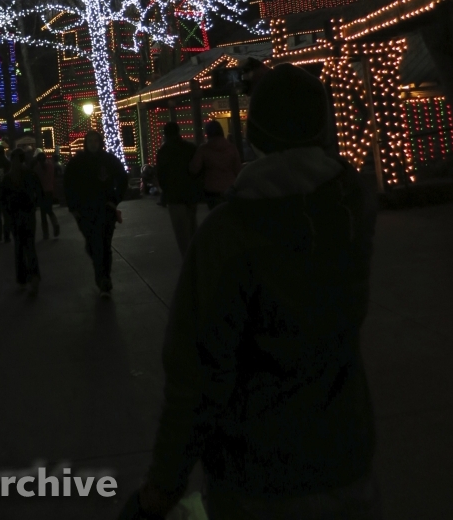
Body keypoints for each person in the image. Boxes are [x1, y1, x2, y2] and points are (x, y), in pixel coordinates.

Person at [119, 63, 381, 520]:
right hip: (347, 453)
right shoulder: (353, 207)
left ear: (257, 132)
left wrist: (162, 486)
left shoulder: (228, 237)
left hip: (257, 474)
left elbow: (195, 374)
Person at [64, 130, 127, 297]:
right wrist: (74, 208)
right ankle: (102, 276)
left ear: (99, 142)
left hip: (105, 210)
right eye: (90, 141)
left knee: (104, 246)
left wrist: (114, 200)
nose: (93, 144)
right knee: (93, 245)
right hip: (85, 212)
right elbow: (68, 185)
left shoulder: (108, 160)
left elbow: (122, 178)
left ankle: (104, 280)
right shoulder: (77, 162)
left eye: (95, 141)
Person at [1, 148, 41, 293]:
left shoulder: (7, 178)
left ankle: (22, 278)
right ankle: (34, 275)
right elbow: (38, 192)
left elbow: (3, 199)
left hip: (14, 215)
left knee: (19, 247)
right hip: (28, 214)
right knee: (30, 246)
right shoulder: (30, 175)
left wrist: (6, 215)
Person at [155, 121, 198, 257]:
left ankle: (188, 259)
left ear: (165, 134)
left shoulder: (163, 151)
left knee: (181, 231)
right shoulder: (190, 148)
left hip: (174, 195)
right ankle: (196, 253)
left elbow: (161, 176)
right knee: (192, 226)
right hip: (190, 193)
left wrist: (165, 190)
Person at [189, 119, 242, 212]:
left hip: (211, 188)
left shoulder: (204, 149)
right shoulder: (231, 148)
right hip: (230, 186)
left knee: (216, 215)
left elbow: (194, 168)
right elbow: (238, 169)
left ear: (207, 133)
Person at [32, 149, 60, 238]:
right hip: (50, 191)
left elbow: (35, 182)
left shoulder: (36, 169)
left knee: (43, 213)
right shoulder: (51, 166)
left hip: (41, 192)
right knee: (49, 210)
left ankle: (46, 233)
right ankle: (55, 223)